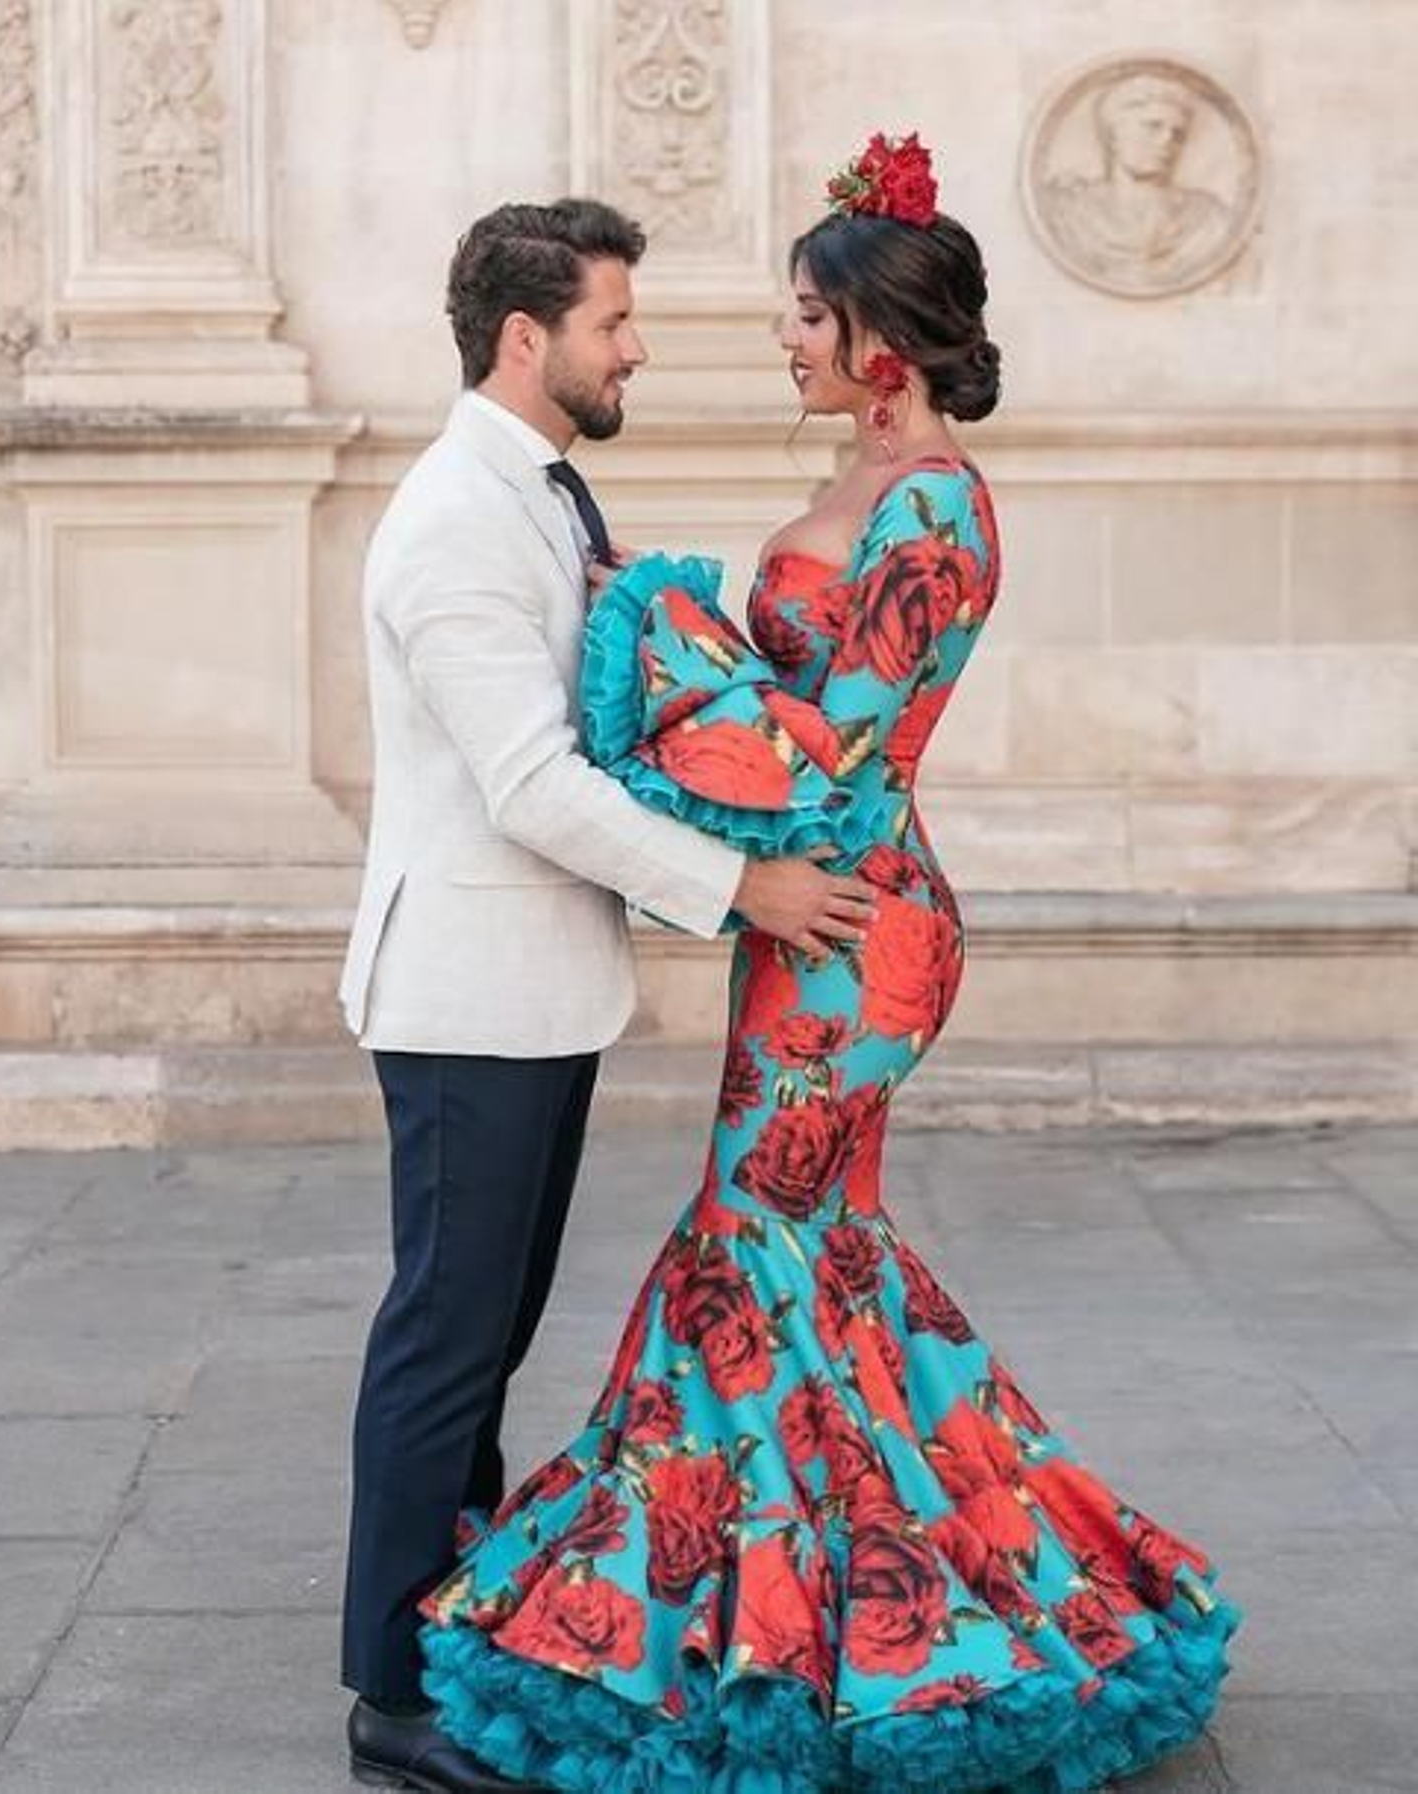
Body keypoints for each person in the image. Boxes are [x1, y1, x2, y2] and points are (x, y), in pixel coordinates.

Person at [416, 133, 1240, 1790]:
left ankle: (840, 1629)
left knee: (753, 1247)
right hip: (806, 915)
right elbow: (774, 744)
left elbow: (833, 749)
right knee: (811, 1259)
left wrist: (663, 623)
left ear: (880, 330)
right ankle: (883, 1606)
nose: (782, 336)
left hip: (861, 931)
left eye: (803, 310)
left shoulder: (935, 507)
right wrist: (636, 619)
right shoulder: (858, 489)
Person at [338, 198, 880, 1793]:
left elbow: (597, 695)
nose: (634, 345)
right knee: (444, 1338)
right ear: (530, 338)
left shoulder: (544, 498)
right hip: (467, 994)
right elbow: (529, 783)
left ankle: (450, 1627)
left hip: (536, 990)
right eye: (614, 322)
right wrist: (746, 888)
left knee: (485, 1337)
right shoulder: (453, 519)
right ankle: (391, 1690)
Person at [1045, 72, 1231, 288]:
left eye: (1178, 134)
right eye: (1153, 126)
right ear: (1113, 132)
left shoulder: (1207, 218)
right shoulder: (1070, 211)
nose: (1167, 141)